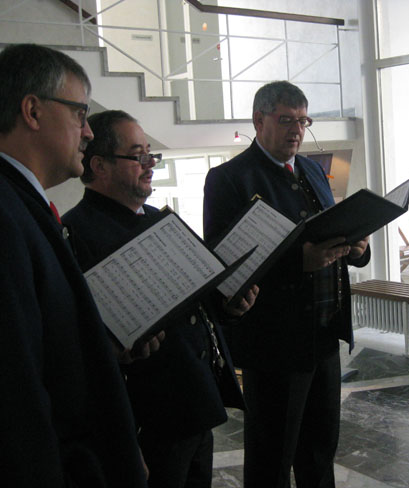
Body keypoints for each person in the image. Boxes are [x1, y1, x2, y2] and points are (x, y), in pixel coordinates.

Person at [62, 109, 258, 488]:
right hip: (146, 416)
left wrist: (229, 307)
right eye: (138, 156)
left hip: (193, 402)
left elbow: (193, 302)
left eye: (151, 154)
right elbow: (80, 343)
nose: (150, 164)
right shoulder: (76, 232)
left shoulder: (156, 218)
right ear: (99, 165)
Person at [203, 80, 370, 487]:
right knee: (271, 460)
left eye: (303, 121)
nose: (297, 130)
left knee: (319, 452)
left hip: (323, 335)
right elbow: (226, 267)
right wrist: (299, 263)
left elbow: (328, 232)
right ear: (258, 121)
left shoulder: (312, 169)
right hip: (273, 343)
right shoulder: (230, 179)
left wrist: (356, 247)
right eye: (286, 120)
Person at [0, 44, 151, 486]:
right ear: (32, 111)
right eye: (80, 114)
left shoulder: (22, 204)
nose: (87, 132)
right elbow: (17, 388)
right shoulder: (6, 215)